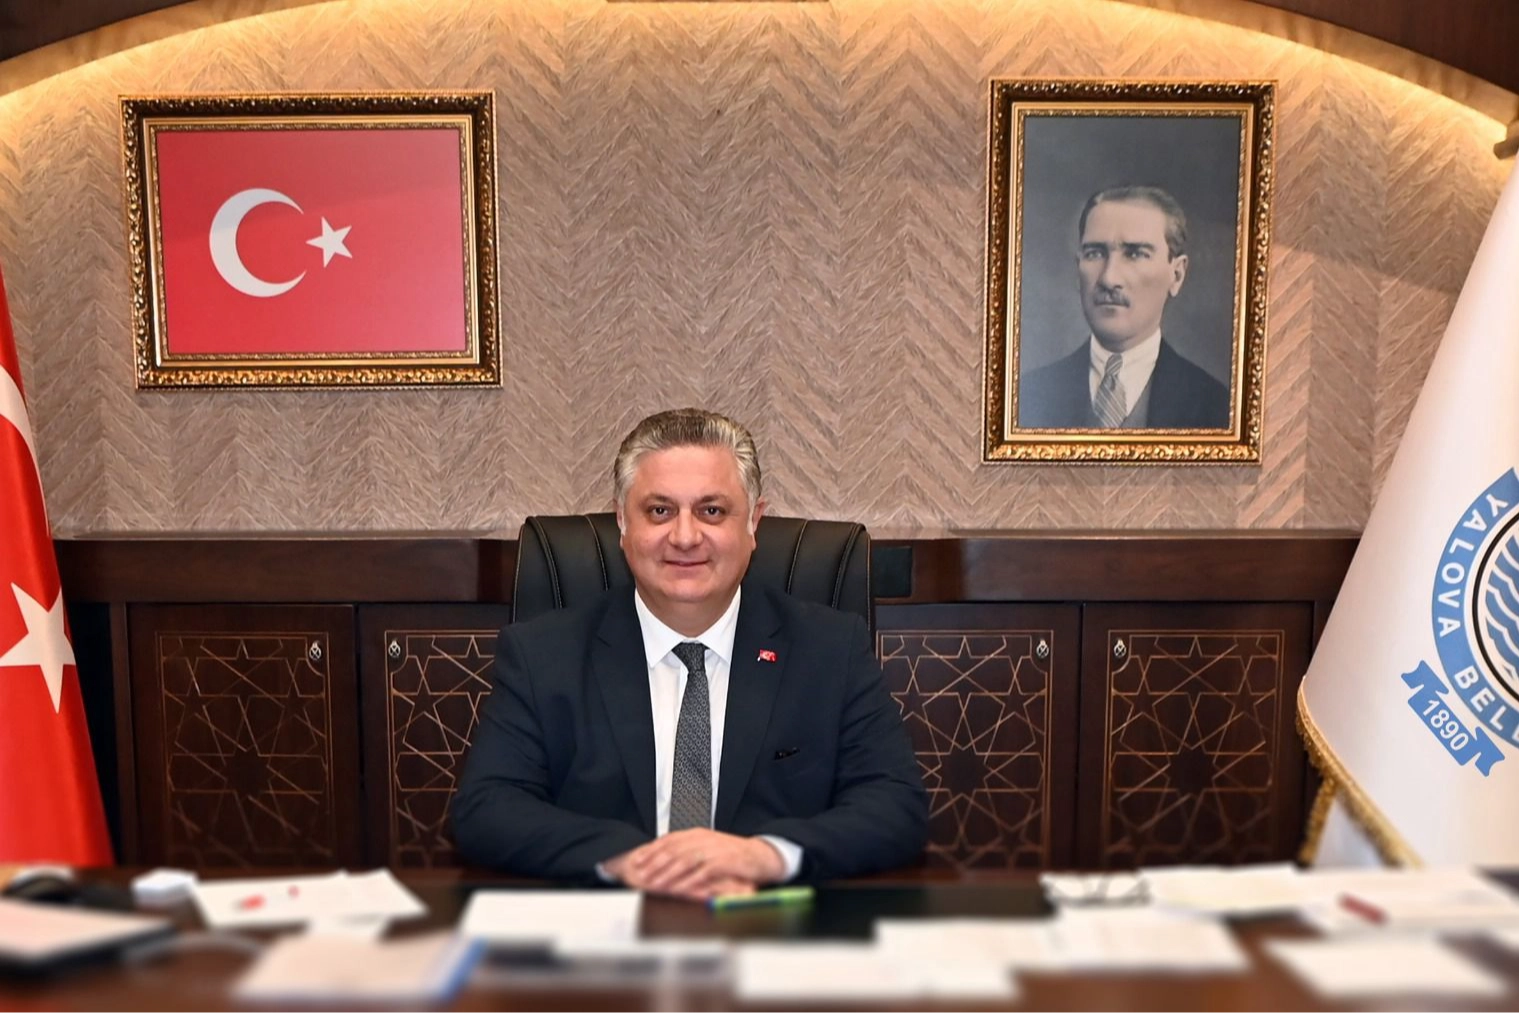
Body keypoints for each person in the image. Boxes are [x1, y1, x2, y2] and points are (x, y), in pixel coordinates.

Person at [452, 408, 928, 900]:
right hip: (607, 926)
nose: (684, 537)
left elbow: (896, 805)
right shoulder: (542, 655)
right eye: (659, 511)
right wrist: (630, 860)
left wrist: (766, 855)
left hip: (766, 925)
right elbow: (487, 808)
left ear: (754, 523)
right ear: (622, 522)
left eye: (712, 511)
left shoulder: (830, 650)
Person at [1018, 185, 1231, 429]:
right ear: (1078, 270)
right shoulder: (1028, 395)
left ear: (1177, 275)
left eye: (1135, 254)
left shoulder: (1216, 406)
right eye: (1095, 253)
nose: (1109, 279)